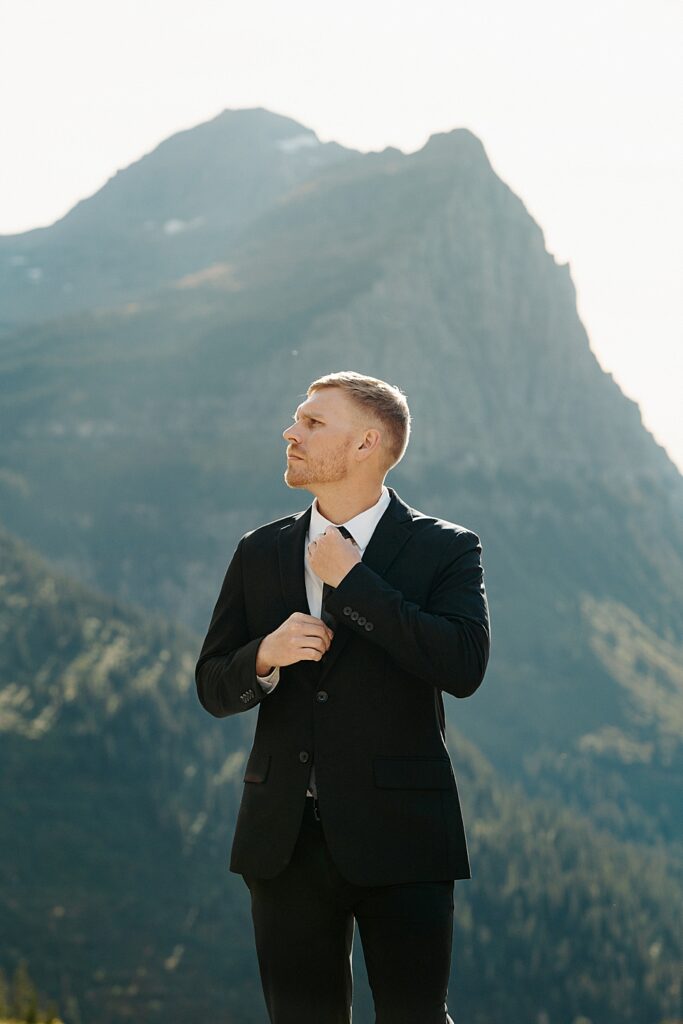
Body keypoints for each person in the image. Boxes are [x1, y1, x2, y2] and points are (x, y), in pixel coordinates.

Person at [194, 370, 491, 1024]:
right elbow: (213, 684)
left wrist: (353, 583)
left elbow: (462, 666)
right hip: (283, 843)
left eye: (311, 423)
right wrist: (263, 656)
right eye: (296, 420)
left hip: (404, 837)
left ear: (366, 444)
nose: (289, 432)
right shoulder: (259, 551)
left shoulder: (445, 549)